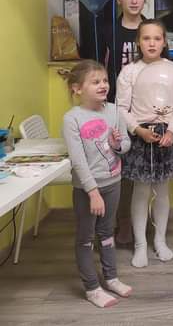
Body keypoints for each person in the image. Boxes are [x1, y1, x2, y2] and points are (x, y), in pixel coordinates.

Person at [116, 20, 173, 268]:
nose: (152, 43)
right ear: (138, 42)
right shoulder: (129, 71)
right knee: (141, 191)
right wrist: (138, 130)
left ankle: (160, 240)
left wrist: (172, 131)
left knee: (162, 190)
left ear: (164, 42)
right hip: (141, 134)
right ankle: (140, 244)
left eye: (157, 38)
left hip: (166, 135)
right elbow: (121, 108)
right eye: (146, 38)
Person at [63, 60, 132, 308]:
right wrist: (92, 192)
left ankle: (111, 278)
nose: (103, 85)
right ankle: (92, 288)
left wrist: (117, 144)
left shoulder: (114, 111)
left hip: (113, 182)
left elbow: (126, 144)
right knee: (85, 237)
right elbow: (78, 161)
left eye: (105, 80)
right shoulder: (72, 118)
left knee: (106, 233)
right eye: (95, 82)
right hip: (87, 190)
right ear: (77, 89)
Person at [100, 0, 147, 246]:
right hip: (115, 109)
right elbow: (100, 70)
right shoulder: (109, 31)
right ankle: (112, 223)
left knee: (136, 170)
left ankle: (133, 224)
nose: (133, 1)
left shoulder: (150, 29)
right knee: (113, 166)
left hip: (144, 111)